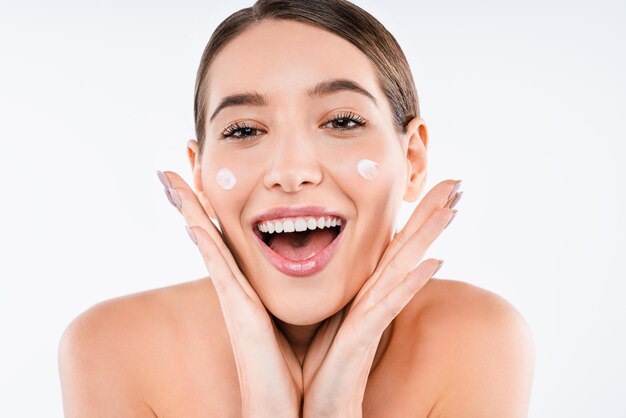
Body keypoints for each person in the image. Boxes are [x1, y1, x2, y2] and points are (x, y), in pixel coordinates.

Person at [58, 0, 535, 416]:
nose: (290, 171)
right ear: (199, 174)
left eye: (342, 121)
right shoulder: (112, 348)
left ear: (411, 160)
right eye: (244, 130)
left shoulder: (477, 340)